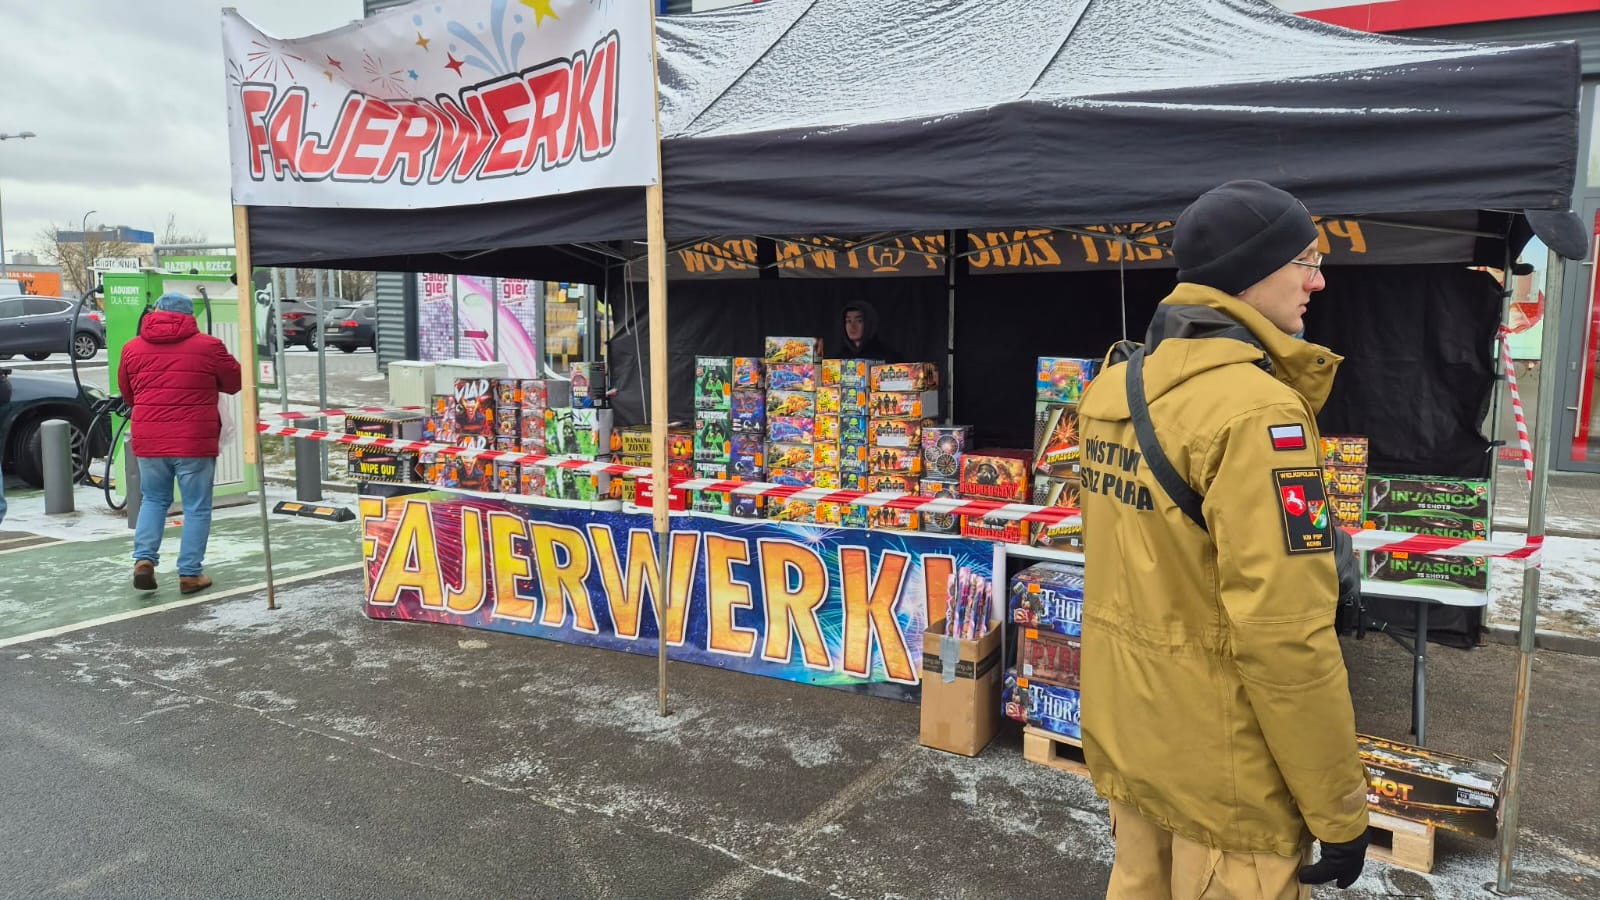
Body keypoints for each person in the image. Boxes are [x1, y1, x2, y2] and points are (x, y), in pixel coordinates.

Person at [1077, 180, 1369, 898]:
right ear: (1251, 271)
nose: (1318, 280)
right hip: (1227, 778)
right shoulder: (1259, 414)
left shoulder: (1113, 388)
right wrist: (1337, 809)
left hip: (1132, 740)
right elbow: (1285, 634)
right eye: (1306, 260)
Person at [119, 292, 242, 594]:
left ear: (156, 312)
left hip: (149, 438)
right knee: (196, 507)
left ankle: (144, 559)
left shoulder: (132, 348)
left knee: (154, 499)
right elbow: (234, 382)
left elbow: (128, 393)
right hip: (194, 440)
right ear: (189, 316)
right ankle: (189, 574)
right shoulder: (209, 346)